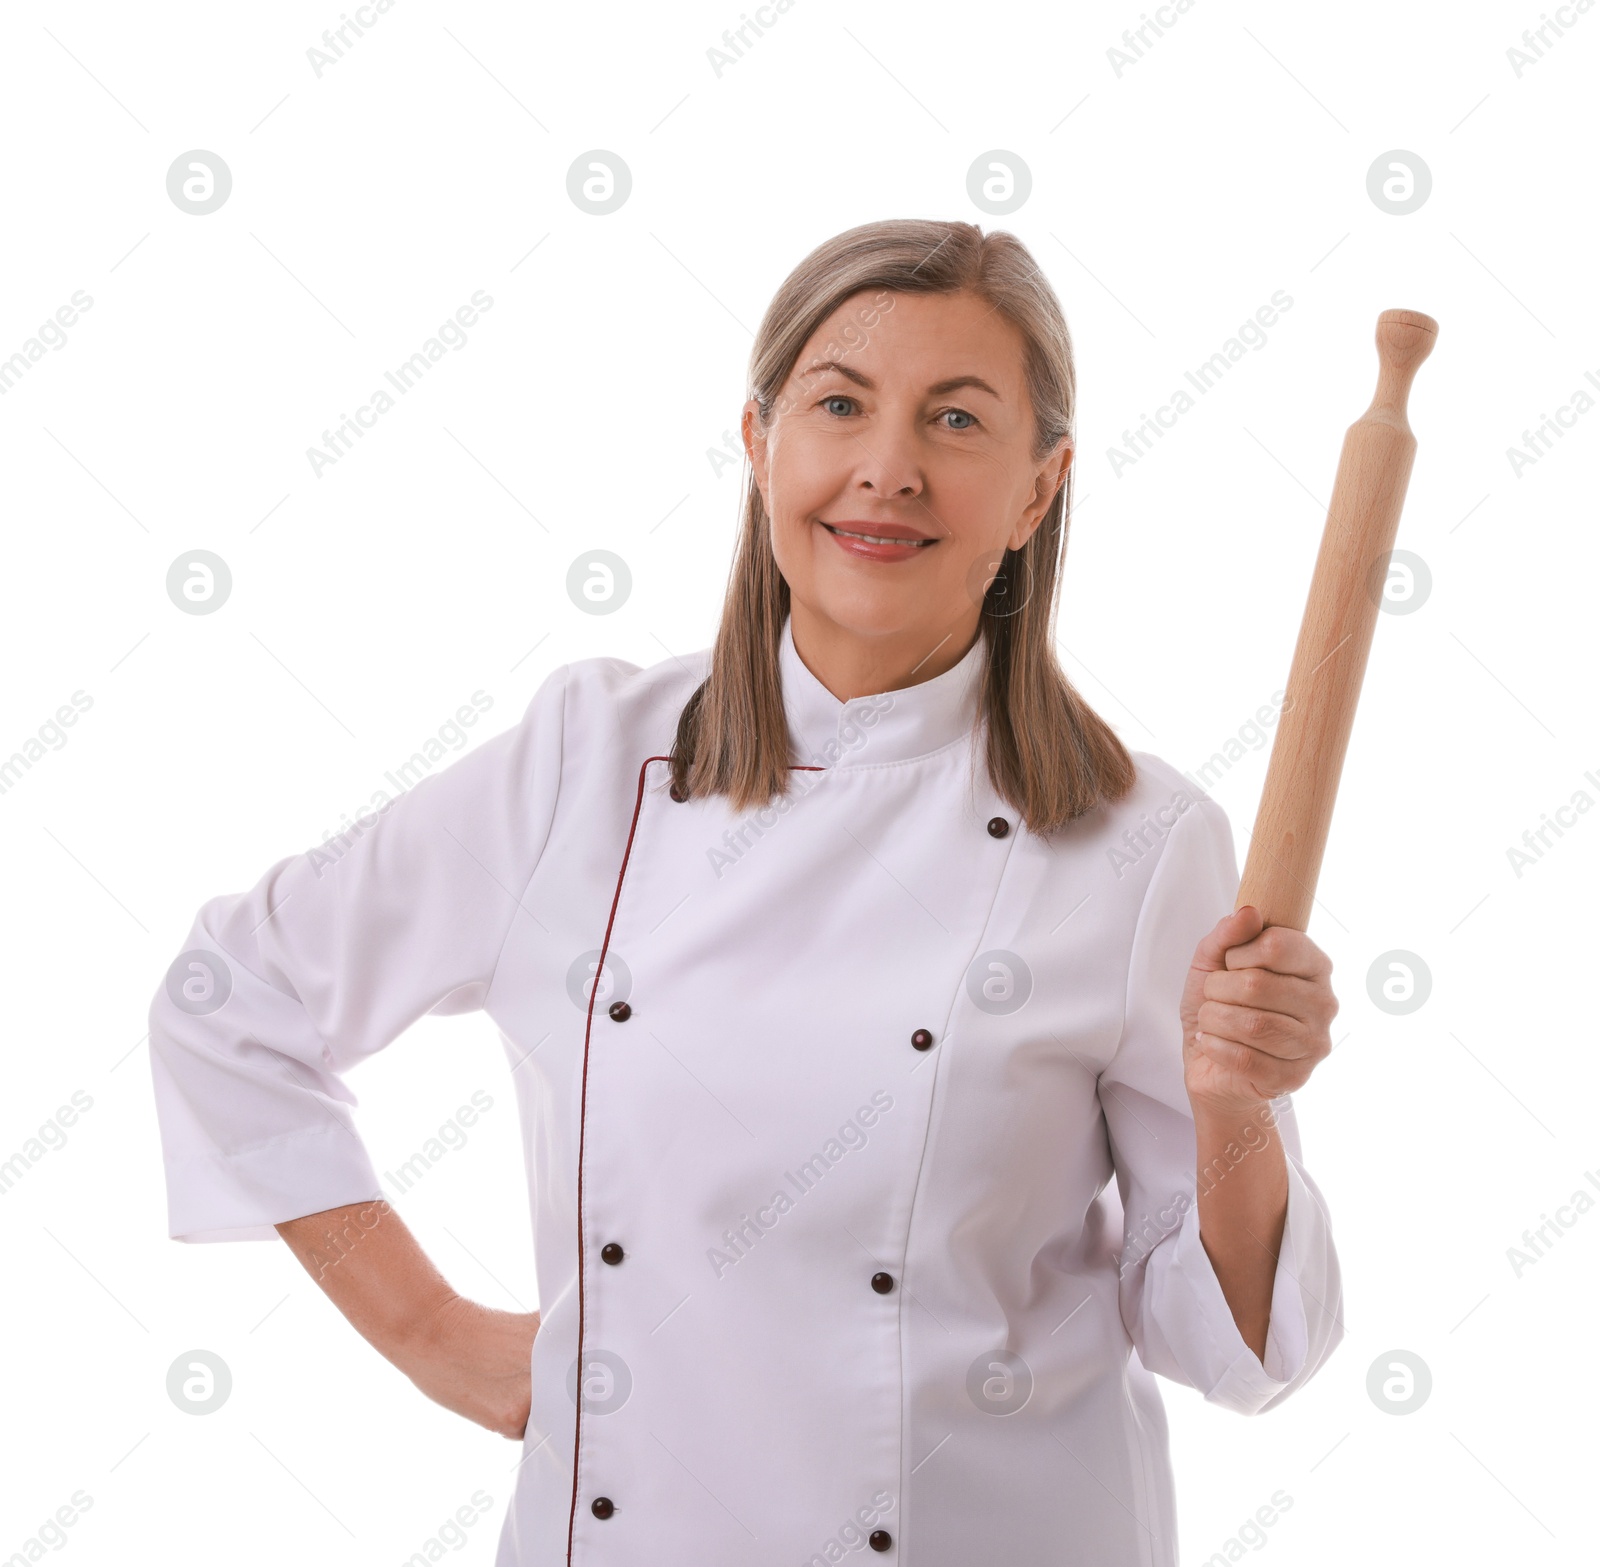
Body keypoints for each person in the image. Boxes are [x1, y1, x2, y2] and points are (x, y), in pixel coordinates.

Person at [147, 217, 1343, 1567]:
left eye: (956, 421)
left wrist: (1238, 1103)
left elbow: (1236, 1347)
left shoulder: (1135, 838)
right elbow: (228, 1002)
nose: (886, 470)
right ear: (763, 440)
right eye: (841, 405)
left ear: (1037, 490)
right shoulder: (582, 766)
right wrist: (432, 1337)